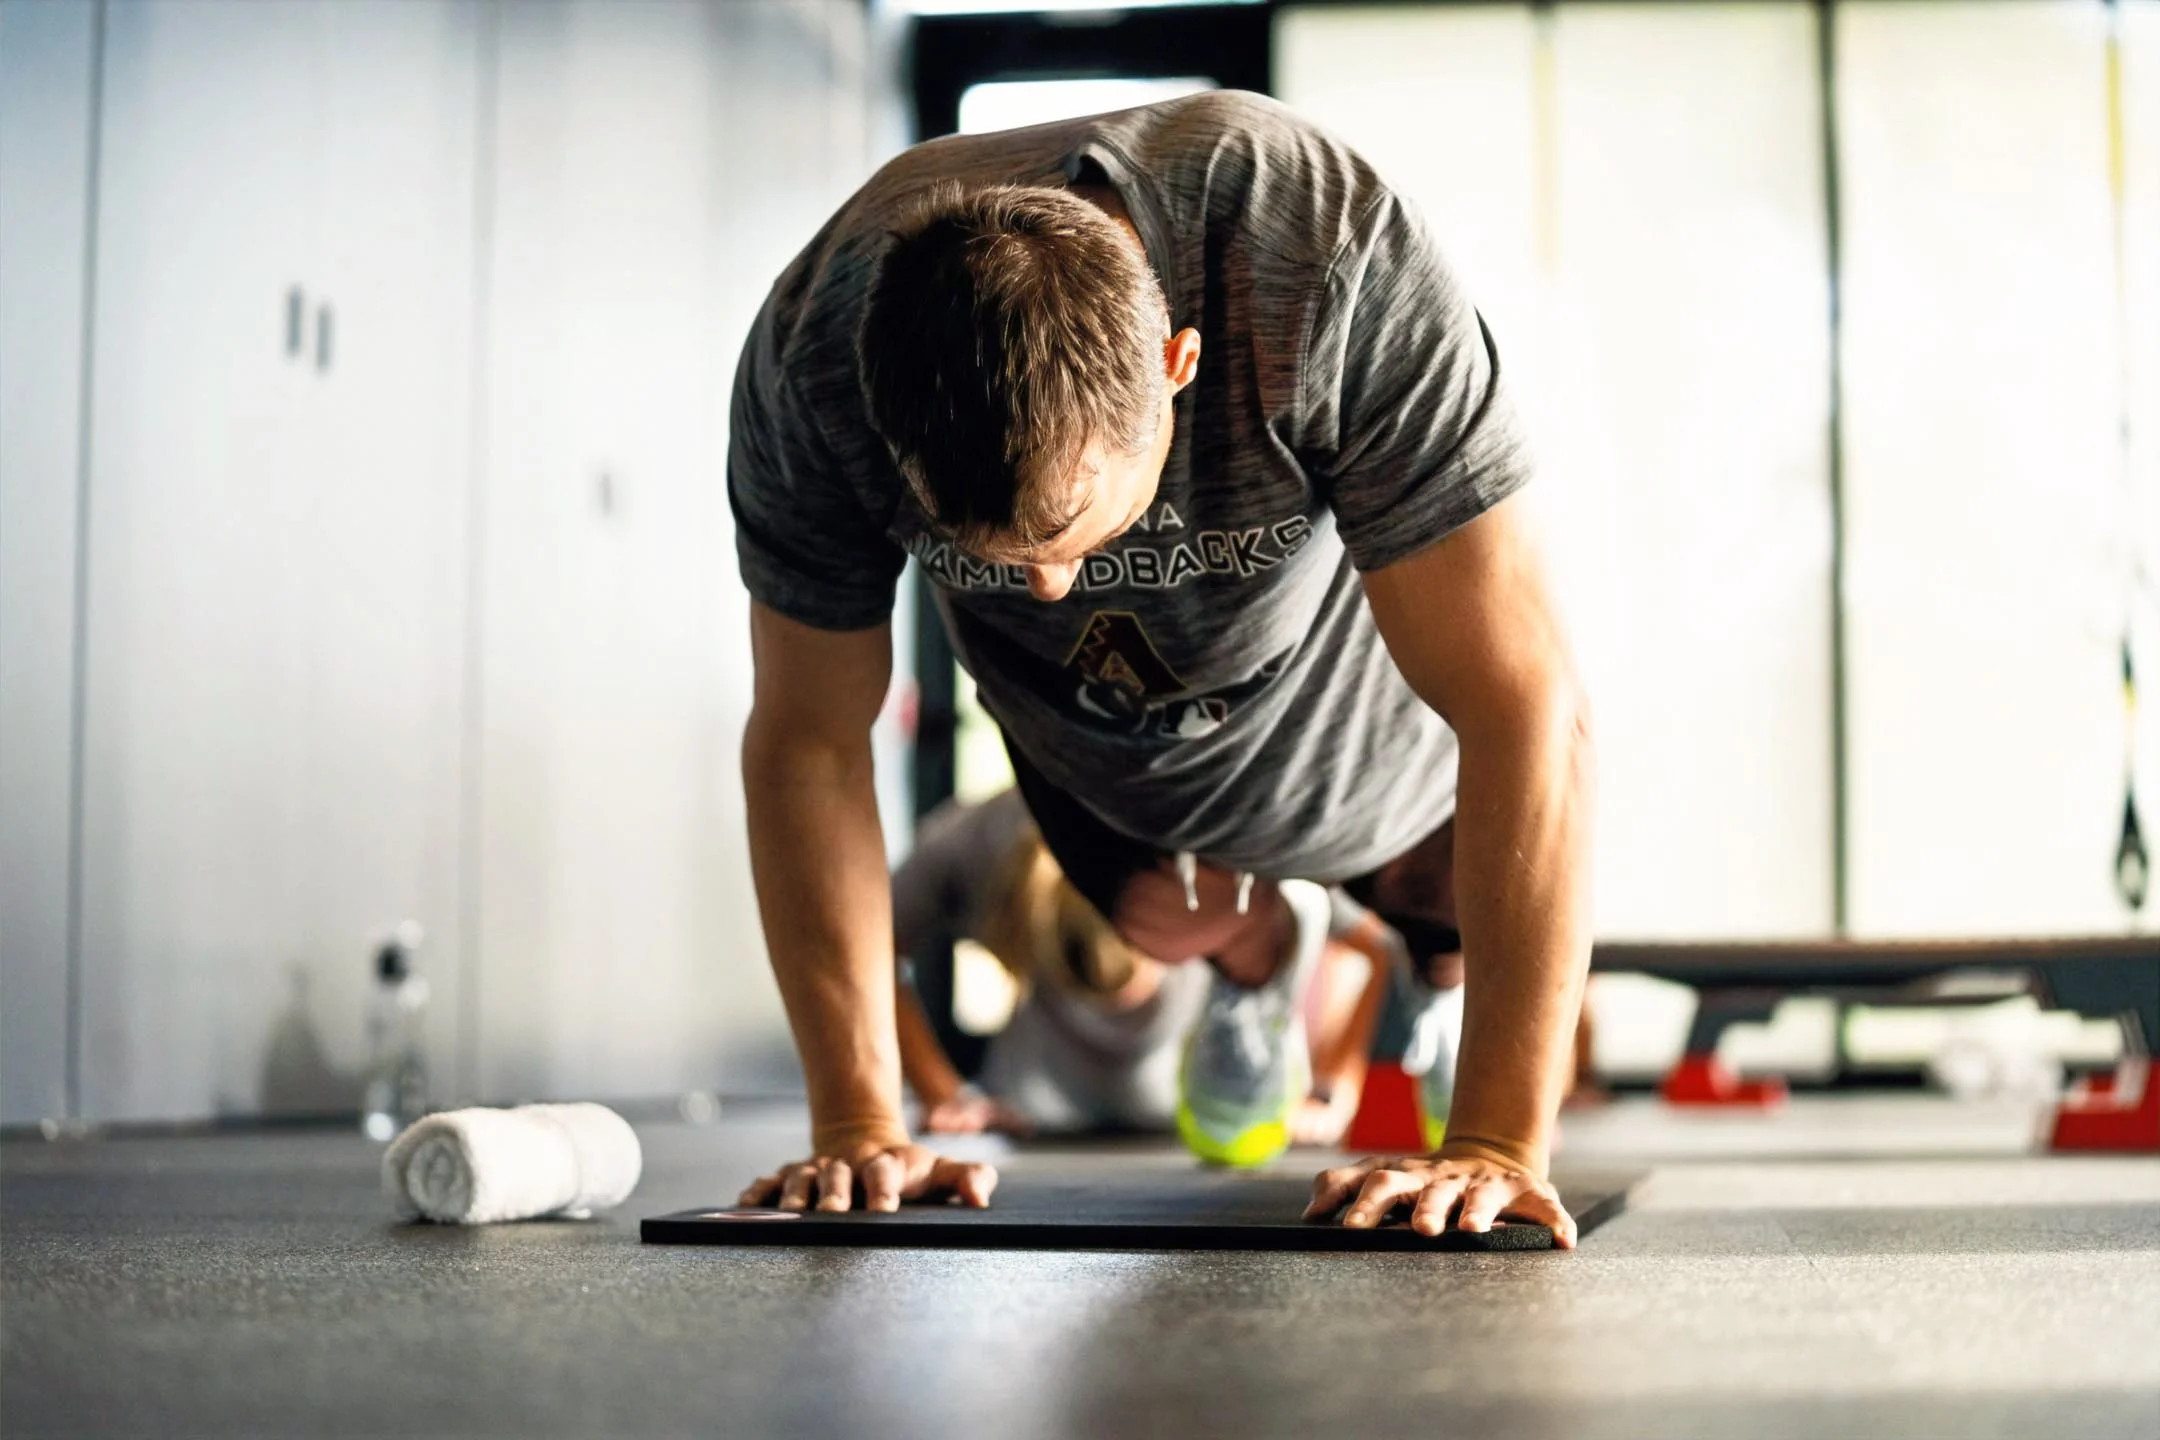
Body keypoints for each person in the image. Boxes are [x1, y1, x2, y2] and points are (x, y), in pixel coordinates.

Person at [731, 90, 1594, 1244]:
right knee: (1139, 926)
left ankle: (1428, 1000)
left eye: (1070, 530)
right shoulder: (811, 360)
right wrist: (856, 1127)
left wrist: (1494, 1144)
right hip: (1101, 758)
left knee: (1447, 939)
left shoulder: (1318, 250)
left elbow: (1525, 701)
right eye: (990, 551)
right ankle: (1255, 973)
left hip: (1365, 750)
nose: (1044, 587)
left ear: (1181, 363)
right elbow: (808, 744)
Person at [888, 790, 1400, 1147]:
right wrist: (944, 1093)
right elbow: (872, 950)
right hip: (1035, 1122)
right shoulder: (978, 837)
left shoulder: (1222, 829)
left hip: (1207, 1119)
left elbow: (1381, 946)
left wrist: (1336, 1085)